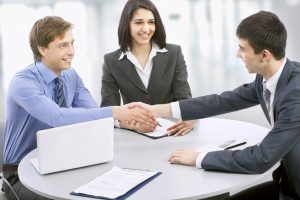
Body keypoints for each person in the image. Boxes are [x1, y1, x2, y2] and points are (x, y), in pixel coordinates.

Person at [135, 11, 300, 199]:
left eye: (243, 49)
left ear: (264, 55)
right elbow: (222, 101)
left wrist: (198, 158)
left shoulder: (296, 94)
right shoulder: (266, 79)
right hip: (287, 184)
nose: (238, 54)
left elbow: (260, 159)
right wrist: (158, 110)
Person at [2, 16, 156, 200]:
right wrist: (117, 112)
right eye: (63, 46)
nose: (71, 51)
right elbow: (56, 117)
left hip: (60, 162)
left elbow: (91, 112)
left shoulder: (70, 75)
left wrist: (123, 123)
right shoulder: (23, 83)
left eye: (72, 44)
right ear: (42, 49)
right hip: (22, 173)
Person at [101, 0, 194, 136]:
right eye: (139, 22)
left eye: (151, 22)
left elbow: (184, 100)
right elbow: (108, 110)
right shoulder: (111, 61)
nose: (146, 28)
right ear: (127, 24)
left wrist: (189, 118)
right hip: (134, 135)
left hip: (173, 132)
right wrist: (124, 124)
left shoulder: (174, 53)